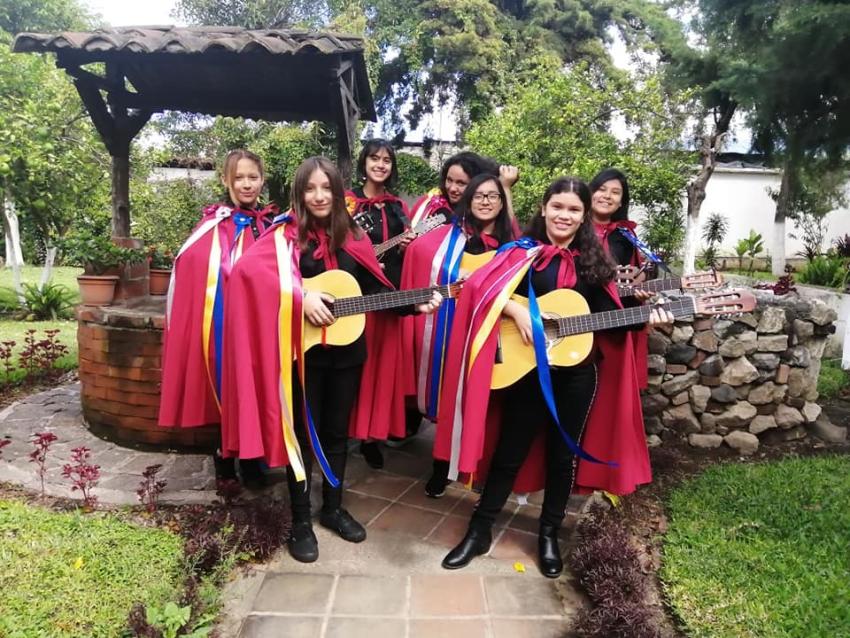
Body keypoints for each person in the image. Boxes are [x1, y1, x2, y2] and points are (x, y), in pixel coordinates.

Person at [435, 177, 673, 577]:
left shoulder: (594, 265)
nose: (564, 216)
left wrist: (645, 317)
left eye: (573, 210)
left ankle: (548, 534)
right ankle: (479, 531)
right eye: (558, 207)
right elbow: (477, 289)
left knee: (564, 458)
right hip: (527, 367)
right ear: (544, 208)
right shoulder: (521, 253)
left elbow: (610, 322)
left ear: (583, 217)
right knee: (509, 452)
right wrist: (516, 311)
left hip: (577, 375)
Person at [221, 157, 441, 564]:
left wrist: (416, 306)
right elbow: (248, 277)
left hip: (347, 353)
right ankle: (301, 520)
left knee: (338, 435)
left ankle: (333, 508)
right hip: (301, 356)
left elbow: (377, 291)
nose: (319, 196)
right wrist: (302, 293)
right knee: (302, 439)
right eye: (310, 189)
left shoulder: (354, 236)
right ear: (299, 194)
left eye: (327, 188)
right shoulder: (282, 236)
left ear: (339, 193)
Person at [158, 149, 276, 486]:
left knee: (256, 389)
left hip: (258, 328)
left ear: (262, 179)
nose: (246, 184)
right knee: (225, 390)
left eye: (252, 177)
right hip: (224, 326)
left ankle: (253, 459)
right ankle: (225, 454)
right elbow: (191, 265)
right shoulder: (213, 224)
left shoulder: (269, 226)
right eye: (238, 177)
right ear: (226, 180)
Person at [402, 173, 518, 498]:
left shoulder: (513, 244)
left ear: (501, 202)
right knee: (451, 399)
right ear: (468, 199)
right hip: (455, 327)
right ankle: (441, 467)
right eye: (478, 195)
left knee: (487, 403)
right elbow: (422, 255)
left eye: (492, 196)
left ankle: (478, 468)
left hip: (493, 334)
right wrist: (455, 274)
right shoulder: (452, 237)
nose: (485, 201)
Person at [574, 168, 659, 496]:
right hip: (567, 325)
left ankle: (595, 474)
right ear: (590, 191)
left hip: (608, 330)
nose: (607, 196)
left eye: (615, 193)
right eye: (602, 189)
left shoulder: (627, 239)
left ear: (622, 201)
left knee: (605, 405)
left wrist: (641, 293)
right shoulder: (570, 224)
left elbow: (637, 284)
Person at [347, 140, 412, 469]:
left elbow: (404, 254)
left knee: (381, 365)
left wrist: (402, 250)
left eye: (387, 160)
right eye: (375, 158)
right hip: (355, 296)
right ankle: (346, 429)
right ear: (364, 163)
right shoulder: (347, 203)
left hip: (388, 297)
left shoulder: (399, 207)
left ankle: (371, 436)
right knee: (353, 364)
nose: (381, 164)